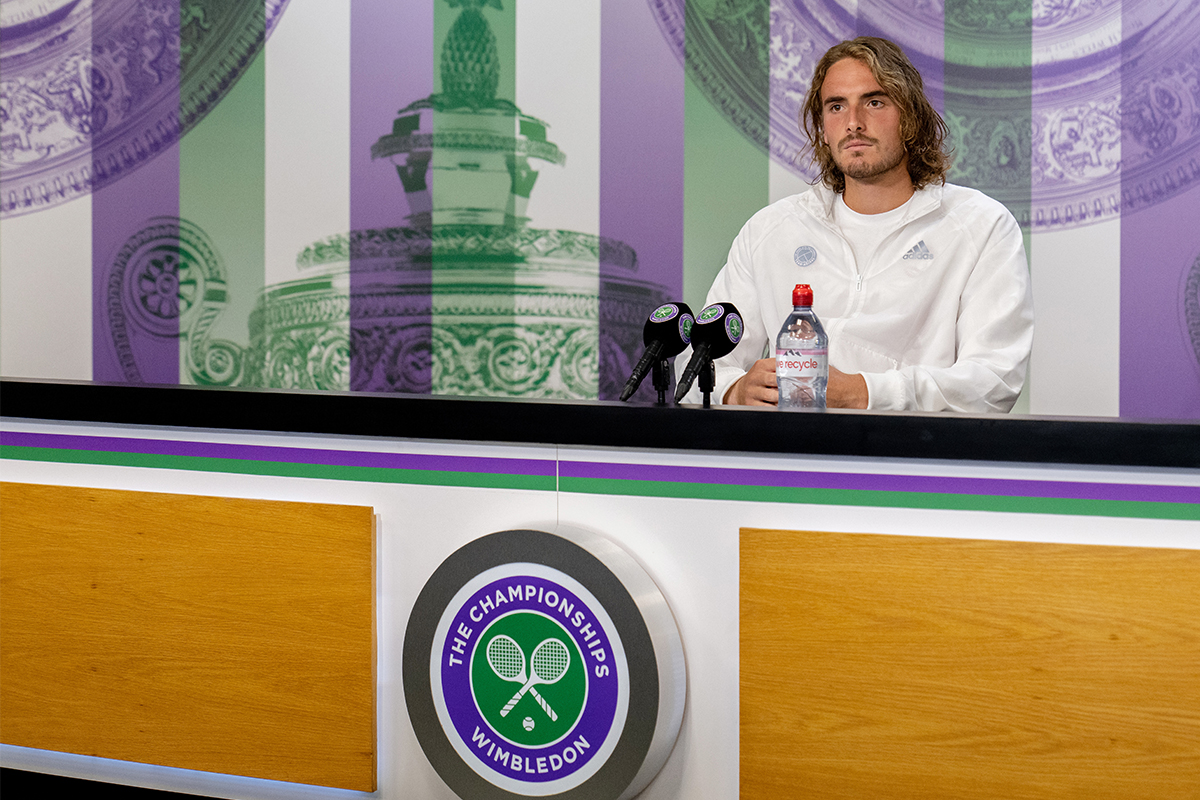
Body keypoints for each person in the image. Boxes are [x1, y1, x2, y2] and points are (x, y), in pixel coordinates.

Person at [692, 36, 1034, 412]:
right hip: (788, 459)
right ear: (822, 127)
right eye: (836, 106)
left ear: (911, 117)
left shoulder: (980, 225)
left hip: (911, 460)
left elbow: (993, 381)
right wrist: (734, 390)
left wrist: (865, 393)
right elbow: (697, 368)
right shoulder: (770, 230)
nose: (853, 123)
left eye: (874, 101)